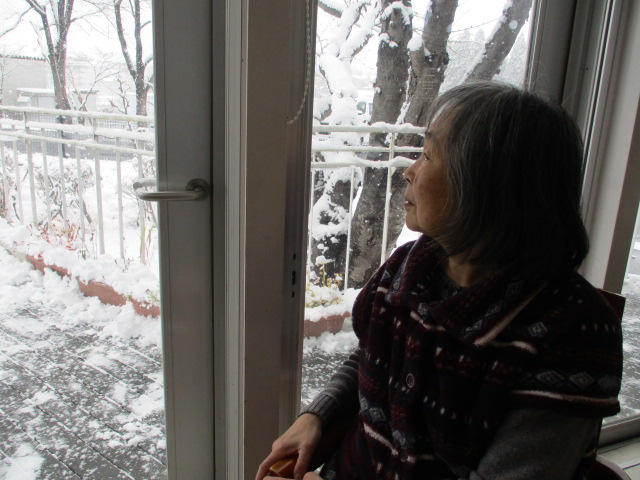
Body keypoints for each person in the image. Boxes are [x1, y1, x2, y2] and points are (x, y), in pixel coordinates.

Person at [256, 82, 623, 480]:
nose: (409, 171)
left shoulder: (573, 333)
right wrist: (316, 416)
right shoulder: (407, 269)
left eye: (428, 155)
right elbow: (372, 354)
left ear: (487, 187)